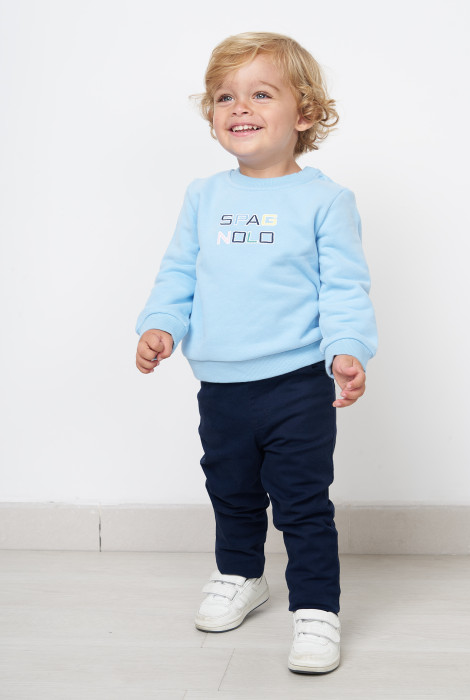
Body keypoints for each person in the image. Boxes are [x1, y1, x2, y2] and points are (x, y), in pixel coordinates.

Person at [135, 32, 377, 674]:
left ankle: (317, 608)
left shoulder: (325, 200)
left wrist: (347, 349)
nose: (239, 107)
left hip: (297, 383)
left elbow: (344, 288)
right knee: (231, 489)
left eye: (261, 94)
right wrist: (161, 324)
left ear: (305, 113)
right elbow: (178, 272)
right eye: (224, 97)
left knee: (301, 501)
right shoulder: (204, 196)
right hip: (221, 385)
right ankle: (241, 573)